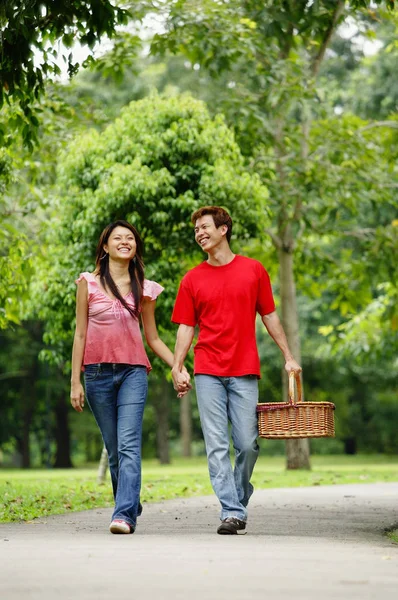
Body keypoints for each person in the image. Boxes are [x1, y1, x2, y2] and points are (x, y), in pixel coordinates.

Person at [171, 206, 301, 535]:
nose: (199, 233)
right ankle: (231, 510)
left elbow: (270, 316)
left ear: (223, 229)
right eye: (196, 229)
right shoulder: (192, 279)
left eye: (204, 227)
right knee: (216, 444)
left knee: (247, 444)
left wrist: (288, 355)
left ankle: (238, 498)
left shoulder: (253, 271)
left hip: (244, 369)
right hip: (208, 369)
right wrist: (177, 366)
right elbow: (186, 327)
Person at [70, 220, 190, 535]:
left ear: (135, 247)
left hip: (133, 372)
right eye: (117, 238)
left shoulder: (144, 288)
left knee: (128, 445)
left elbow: (153, 338)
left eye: (130, 238)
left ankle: (124, 515)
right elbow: (80, 334)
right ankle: (128, 501)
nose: (125, 241)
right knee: (113, 447)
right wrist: (75, 382)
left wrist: (177, 365)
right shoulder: (88, 283)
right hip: (95, 374)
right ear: (105, 246)